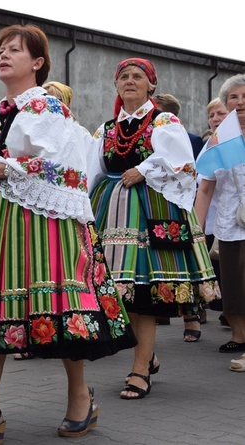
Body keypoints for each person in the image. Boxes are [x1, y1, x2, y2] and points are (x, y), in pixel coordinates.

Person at [0, 24, 135, 443]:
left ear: (37, 62)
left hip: (40, 221)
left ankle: (79, 395)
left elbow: (70, 167)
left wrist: (11, 167)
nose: (3, 55)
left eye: (14, 50)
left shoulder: (48, 108)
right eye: (0, 49)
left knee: (52, 307)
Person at [88, 58, 216, 399]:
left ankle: (140, 367)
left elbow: (182, 161)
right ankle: (148, 354)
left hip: (150, 209)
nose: (130, 81)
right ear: (116, 86)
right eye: (124, 77)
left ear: (151, 86)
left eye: (137, 77)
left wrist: (144, 169)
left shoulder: (163, 120)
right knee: (115, 292)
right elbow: (92, 172)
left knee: (141, 293)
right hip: (111, 211)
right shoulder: (106, 129)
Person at [194, 74, 245, 372]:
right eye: (234, 98)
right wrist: (197, 232)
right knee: (233, 284)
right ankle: (239, 335)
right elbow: (205, 188)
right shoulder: (218, 141)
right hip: (228, 222)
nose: (240, 102)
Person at [152, 92, 206, 339]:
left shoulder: (191, 138)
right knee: (157, 259)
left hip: (177, 203)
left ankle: (191, 318)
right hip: (151, 203)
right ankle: (159, 310)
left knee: (183, 258)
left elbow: (190, 169)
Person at [202, 98, 229, 318]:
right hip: (211, 221)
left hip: (232, 219)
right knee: (220, 272)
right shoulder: (209, 144)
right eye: (211, 115)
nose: (215, 119)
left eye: (220, 113)